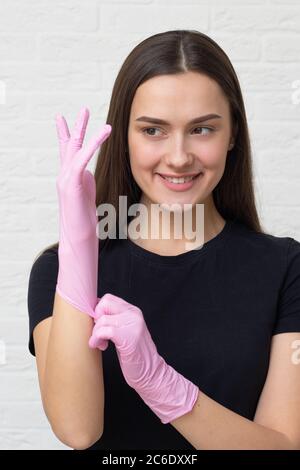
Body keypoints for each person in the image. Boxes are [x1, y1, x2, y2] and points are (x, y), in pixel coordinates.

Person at [27, 29, 300, 450]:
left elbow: (283, 444)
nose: (177, 156)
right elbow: (77, 430)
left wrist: (162, 384)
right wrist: (78, 243)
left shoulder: (286, 269)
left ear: (233, 136)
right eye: (153, 130)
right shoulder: (56, 271)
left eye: (202, 130)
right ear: (125, 139)